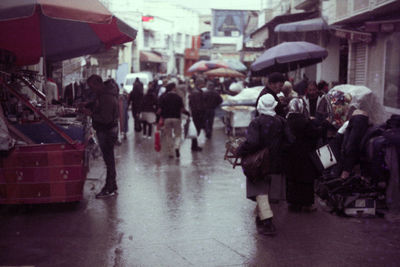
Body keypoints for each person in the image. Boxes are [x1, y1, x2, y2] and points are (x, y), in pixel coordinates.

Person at [236, 94, 292, 236]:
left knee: (260, 192)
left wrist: (240, 150)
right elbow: (290, 141)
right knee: (269, 193)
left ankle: (267, 222)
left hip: (260, 163)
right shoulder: (281, 121)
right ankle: (261, 218)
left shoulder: (257, 122)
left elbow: (252, 142)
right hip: (277, 162)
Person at [85, 74, 119, 198]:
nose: (91, 89)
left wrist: (91, 114)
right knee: (109, 161)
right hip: (108, 130)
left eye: (92, 86)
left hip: (107, 131)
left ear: (97, 84)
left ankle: (109, 188)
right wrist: (88, 104)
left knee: (109, 161)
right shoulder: (104, 94)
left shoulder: (106, 97)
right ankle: (112, 186)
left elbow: (106, 118)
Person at [285, 98, 322, 212]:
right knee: (306, 180)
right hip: (306, 155)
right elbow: (314, 134)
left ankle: (293, 203)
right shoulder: (306, 122)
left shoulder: (286, 121)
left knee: (292, 179)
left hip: (291, 155)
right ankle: (306, 204)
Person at [158, 82, 190, 158]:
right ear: (173, 88)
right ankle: (176, 147)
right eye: (175, 87)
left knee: (168, 135)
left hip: (167, 119)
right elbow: (182, 109)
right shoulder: (178, 97)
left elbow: (159, 110)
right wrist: (187, 113)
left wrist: (159, 117)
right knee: (178, 135)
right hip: (176, 118)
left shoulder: (164, 97)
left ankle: (170, 153)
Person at [188, 79, 206, 151]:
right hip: (198, 114)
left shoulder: (194, 92)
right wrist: (201, 114)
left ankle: (194, 145)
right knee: (197, 129)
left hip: (195, 113)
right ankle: (194, 146)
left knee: (196, 130)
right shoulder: (197, 93)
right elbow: (199, 105)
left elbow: (190, 103)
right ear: (200, 84)